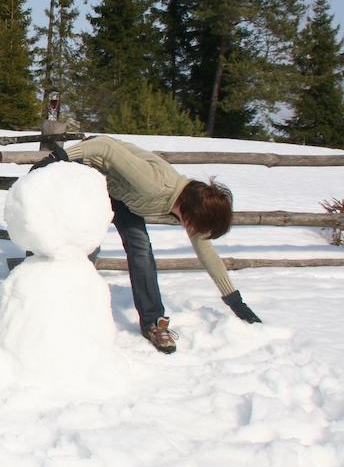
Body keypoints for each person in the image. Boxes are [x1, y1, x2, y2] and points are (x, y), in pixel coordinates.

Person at [28, 136, 261, 354]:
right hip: (88, 169)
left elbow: (207, 253)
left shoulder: (187, 206)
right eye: (199, 228)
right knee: (84, 240)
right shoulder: (155, 185)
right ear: (192, 217)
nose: (196, 234)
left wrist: (235, 302)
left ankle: (152, 322)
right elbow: (104, 147)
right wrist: (57, 157)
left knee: (140, 248)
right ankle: (47, 295)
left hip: (118, 191)